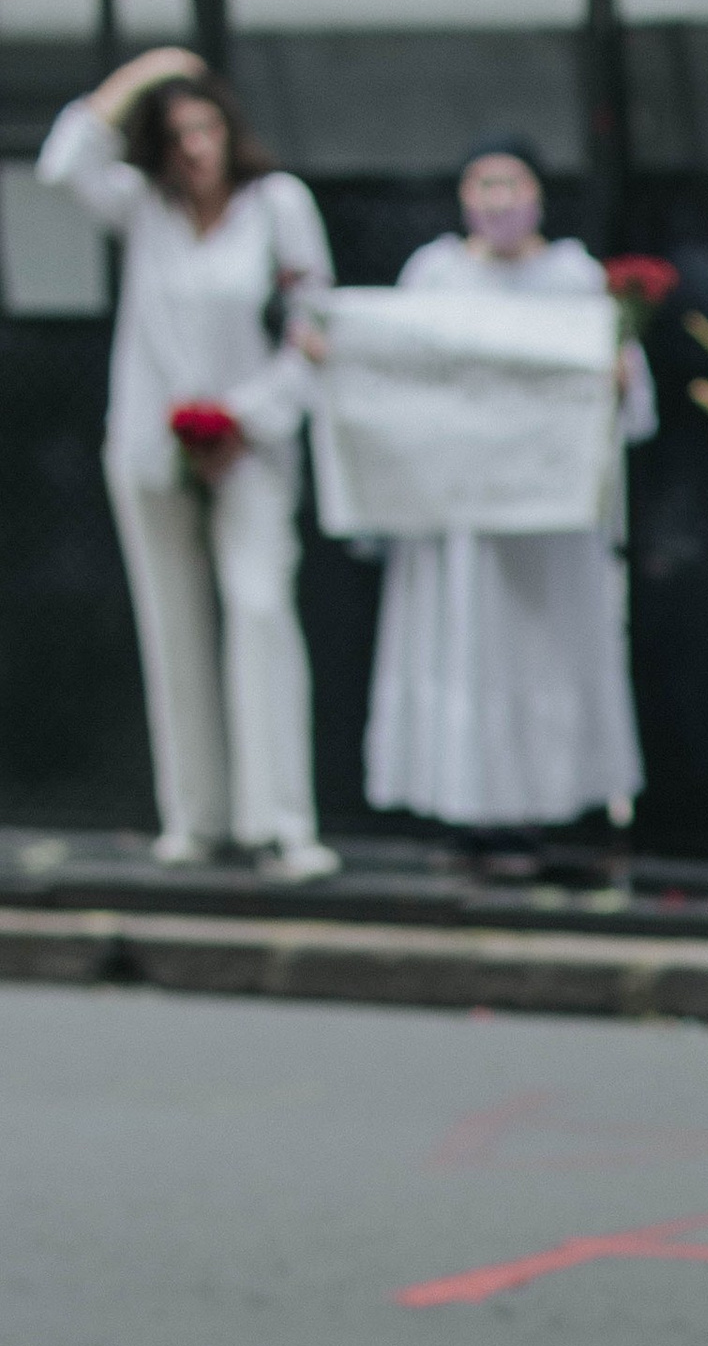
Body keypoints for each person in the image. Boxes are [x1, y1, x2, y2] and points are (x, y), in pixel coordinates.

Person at [39, 44, 339, 881]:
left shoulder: (276, 205)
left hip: (250, 444)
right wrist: (150, 70)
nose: (195, 150)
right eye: (176, 135)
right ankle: (195, 816)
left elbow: (314, 331)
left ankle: (282, 820)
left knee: (259, 607)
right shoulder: (144, 207)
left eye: (206, 128)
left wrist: (243, 417)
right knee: (172, 623)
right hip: (149, 440)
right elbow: (66, 159)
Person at [359, 139, 655, 875]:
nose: (498, 198)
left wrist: (618, 373)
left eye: (511, 182)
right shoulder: (435, 273)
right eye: (482, 182)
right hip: (459, 513)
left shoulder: (573, 276)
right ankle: (462, 811)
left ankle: (537, 812)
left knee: (541, 649)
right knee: (460, 648)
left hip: (544, 521)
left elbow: (628, 401)